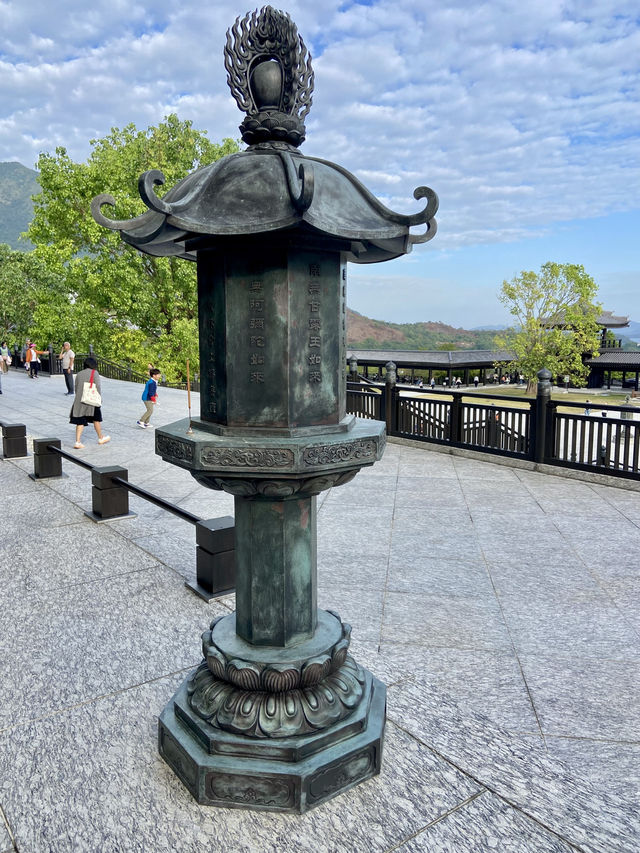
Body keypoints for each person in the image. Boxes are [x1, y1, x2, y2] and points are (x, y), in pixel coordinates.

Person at [70, 356, 110, 448]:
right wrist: (99, 398)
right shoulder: (94, 373)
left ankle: (78, 441)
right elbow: (98, 387)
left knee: (80, 421)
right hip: (91, 400)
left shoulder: (79, 374)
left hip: (80, 400)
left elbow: (76, 387)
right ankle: (100, 437)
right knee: (96, 419)